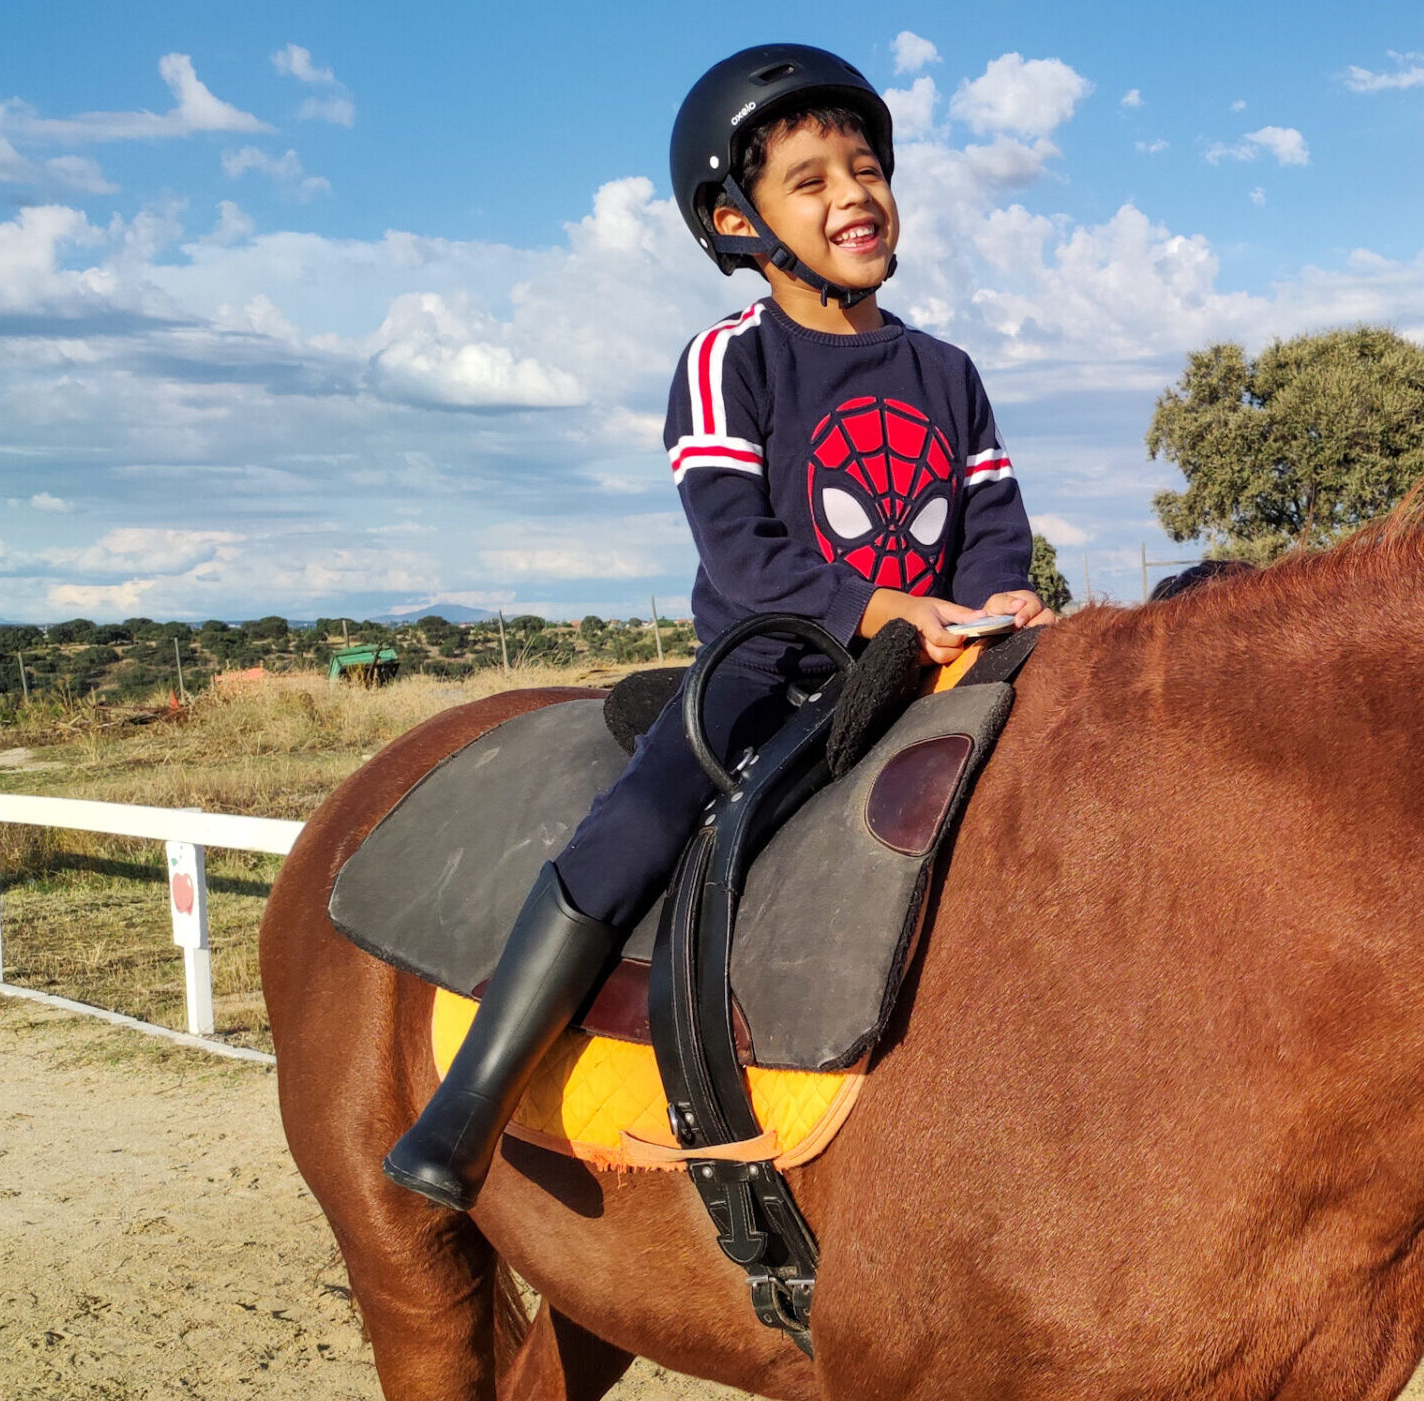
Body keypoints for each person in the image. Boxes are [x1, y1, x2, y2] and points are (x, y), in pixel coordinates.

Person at [383, 43, 1053, 1211]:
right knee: (643, 814)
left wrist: (998, 604)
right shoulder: (728, 360)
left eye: (866, 167)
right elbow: (736, 546)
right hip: (778, 661)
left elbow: (994, 518)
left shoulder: (949, 369)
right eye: (812, 180)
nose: (854, 194)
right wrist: (874, 607)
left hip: (941, 659)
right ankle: (474, 1096)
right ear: (738, 222)